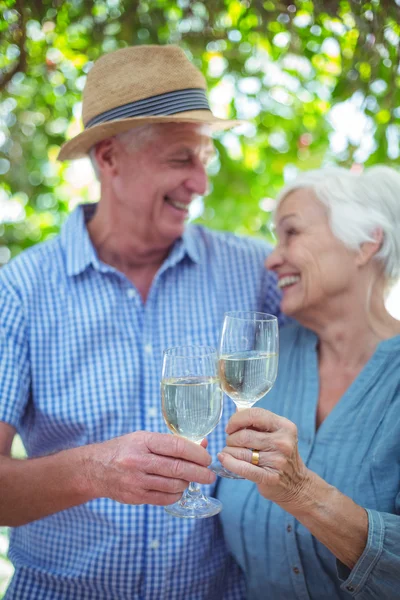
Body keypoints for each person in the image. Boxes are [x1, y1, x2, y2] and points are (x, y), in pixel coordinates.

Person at [0, 45, 284, 599]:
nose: (200, 184)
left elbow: (352, 324)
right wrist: (94, 471)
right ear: (108, 158)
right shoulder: (20, 290)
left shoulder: (252, 270)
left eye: (204, 159)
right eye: (181, 159)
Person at [217, 165, 400, 599]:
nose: (271, 258)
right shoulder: (265, 364)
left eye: (291, 233)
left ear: (366, 243)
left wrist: (302, 491)